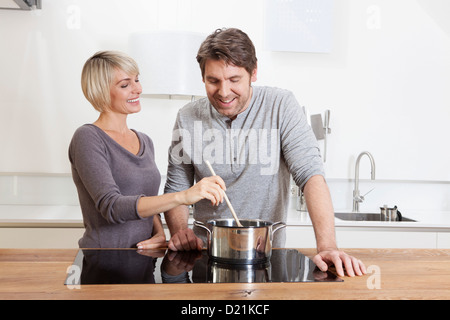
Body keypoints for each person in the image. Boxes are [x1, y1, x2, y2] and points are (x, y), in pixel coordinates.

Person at [163, 28, 366, 277]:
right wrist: (180, 231)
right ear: (203, 77)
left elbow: (310, 175)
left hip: (269, 258)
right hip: (207, 257)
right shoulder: (187, 117)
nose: (224, 92)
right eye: (213, 80)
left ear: (254, 72)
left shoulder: (281, 105)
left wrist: (327, 246)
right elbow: (176, 189)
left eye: (234, 79)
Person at [69, 51, 225, 249]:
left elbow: (146, 201)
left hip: (143, 261)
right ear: (100, 91)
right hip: (104, 259)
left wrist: (159, 232)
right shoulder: (88, 138)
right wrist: (184, 196)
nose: (138, 89)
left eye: (137, 80)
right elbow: (112, 207)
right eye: (125, 85)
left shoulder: (144, 141)